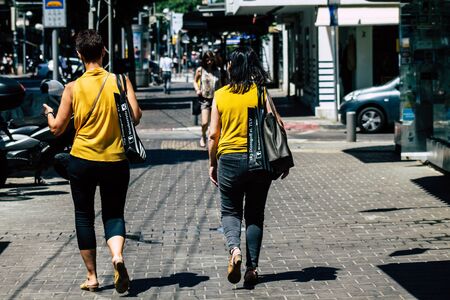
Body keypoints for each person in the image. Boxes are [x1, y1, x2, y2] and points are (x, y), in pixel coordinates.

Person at [43, 29, 142, 294]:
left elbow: (57, 129)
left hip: (82, 160)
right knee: (113, 213)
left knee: (84, 217)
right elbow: (135, 116)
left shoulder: (73, 88)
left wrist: (50, 113)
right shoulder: (121, 81)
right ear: (103, 52)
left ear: (78, 55)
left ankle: (92, 277)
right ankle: (118, 257)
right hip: (115, 160)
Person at [208, 47, 289, 287]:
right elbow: (278, 125)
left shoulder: (220, 95)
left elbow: (213, 134)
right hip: (259, 163)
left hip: (229, 161)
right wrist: (282, 159)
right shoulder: (260, 92)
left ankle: (235, 251)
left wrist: (212, 163)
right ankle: (252, 268)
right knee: (255, 215)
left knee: (231, 212)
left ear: (231, 68)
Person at [193, 50, 223, 147]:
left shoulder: (218, 70)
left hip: (216, 99)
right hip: (205, 99)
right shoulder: (200, 70)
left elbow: (222, 84)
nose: (209, 62)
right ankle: (203, 135)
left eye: (211, 60)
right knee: (205, 122)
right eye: (207, 60)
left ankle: (212, 141)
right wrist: (197, 89)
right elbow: (195, 81)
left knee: (214, 124)